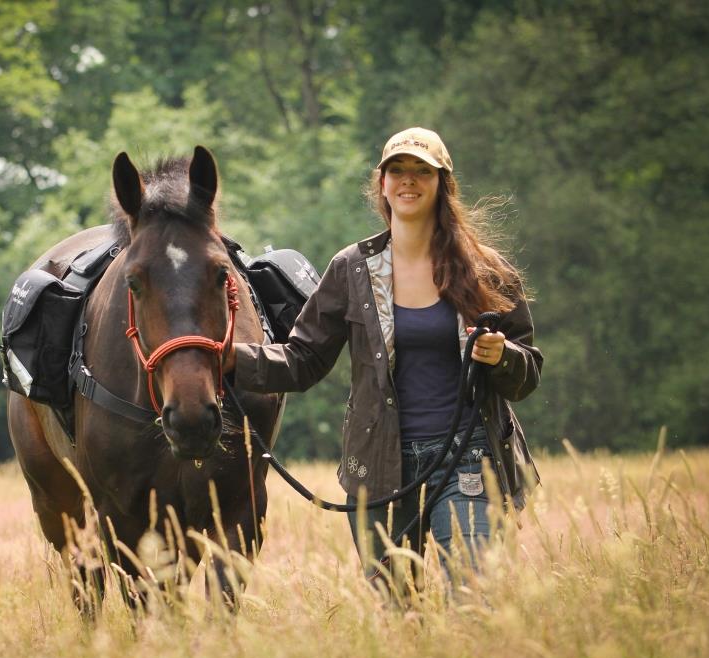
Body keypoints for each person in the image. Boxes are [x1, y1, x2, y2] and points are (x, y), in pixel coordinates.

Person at [224, 127, 543, 579]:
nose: (408, 181)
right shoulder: (351, 269)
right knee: (398, 612)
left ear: (442, 185)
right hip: (379, 463)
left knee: (472, 597)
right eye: (398, 170)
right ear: (382, 183)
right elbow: (302, 359)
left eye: (421, 171)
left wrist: (503, 355)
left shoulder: (485, 269)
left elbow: (528, 373)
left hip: (468, 458)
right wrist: (232, 358)